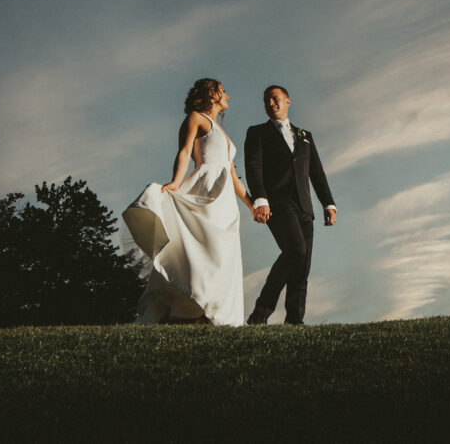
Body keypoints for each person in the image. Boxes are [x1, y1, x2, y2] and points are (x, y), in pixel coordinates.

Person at [122, 78, 253, 326]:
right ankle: (183, 306)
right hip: (205, 189)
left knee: (221, 253)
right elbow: (183, 151)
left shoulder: (223, 132)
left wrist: (250, 204)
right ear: (209, 95)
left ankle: (211, 312)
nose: (227, 95)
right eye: (222, 91)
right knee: (199, 248)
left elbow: (233, 175)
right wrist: (175, 181)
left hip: (224, 199)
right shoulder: (196, 118)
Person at [244, 85, 337, 325]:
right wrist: (260, 199)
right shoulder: (257, 133)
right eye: (266, 101)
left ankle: (295, 321)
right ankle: (260, 313)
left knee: (302, 265)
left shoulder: (306, 136)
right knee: (296, 250)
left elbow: (317, 172)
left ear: (287, 101)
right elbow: (253, 169)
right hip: (277, 203)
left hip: (305, 206)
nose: (270, 103)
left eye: (275, 99)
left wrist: (328, 203)